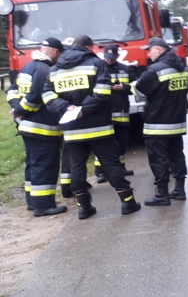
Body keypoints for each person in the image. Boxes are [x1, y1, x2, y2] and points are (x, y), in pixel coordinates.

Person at [43, 35, 141, 219]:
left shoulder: (56, 69)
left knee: (77, 168)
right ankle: (128, 203)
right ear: (88, 47)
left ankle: (84, 207)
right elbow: (103, 91)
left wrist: (66, 107)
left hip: (72, 129)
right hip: (99, 127)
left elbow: (47, 95)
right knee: (111, 165)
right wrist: (84, 110)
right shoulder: (96, 64)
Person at [7, 37, 68, 217]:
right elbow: (35, 98)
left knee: (33, 165)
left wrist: (16, 108)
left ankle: (32, 201)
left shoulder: (28, 67)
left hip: (27, 127)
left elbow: (12, 90)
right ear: (55, 52)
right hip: (42, 128)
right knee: (45, 166)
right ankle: (44, 205)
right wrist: (21, 110)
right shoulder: (45, 70)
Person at [134, 37, 188, 203]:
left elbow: (139, 92)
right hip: (177, 122)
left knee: (158, 159)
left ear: (158, 50)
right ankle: (179, 189)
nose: (148, 54)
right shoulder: (183, 67)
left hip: (157, 122)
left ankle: (162, 194)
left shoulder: (155, 69)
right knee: (177, 155)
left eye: (149, 50)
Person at [94, 44, 134, 183]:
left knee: (122, 143)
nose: (109, 60)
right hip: (105, 113)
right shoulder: (98, 68)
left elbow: (135, 87)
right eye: (107, 57)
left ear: (117, 56)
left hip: (122, 111)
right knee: (103, 144)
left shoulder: (125, 69)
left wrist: (124, 87)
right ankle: (100, 172)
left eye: (112, 58)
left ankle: (121, 168)